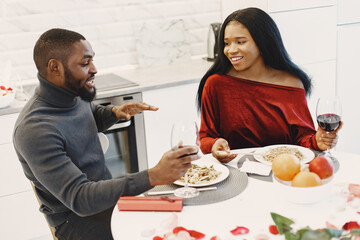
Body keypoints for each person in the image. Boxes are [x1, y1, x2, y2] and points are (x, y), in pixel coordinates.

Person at [13, 28, 200, 240]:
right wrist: (154, 175)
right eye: (85, 63)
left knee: (187, 216)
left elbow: (86, 116)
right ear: (55, 67)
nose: (94, 69)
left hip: (107, 201)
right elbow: (80, 198)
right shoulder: (34, 129)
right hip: (77, 221)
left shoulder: (73, 94)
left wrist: (113, 113)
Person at [196, 7, 342, 163]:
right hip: (235, 173)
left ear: (262, 42)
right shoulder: (216, 84)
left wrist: (318, 141)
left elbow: (303, 139)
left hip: (283, 172)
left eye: (240, 42)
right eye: (226, 43)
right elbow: (205, 139)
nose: (231, 50)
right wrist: (214, 144)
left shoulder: (291, 84)